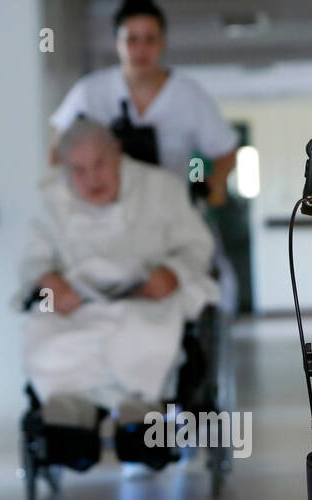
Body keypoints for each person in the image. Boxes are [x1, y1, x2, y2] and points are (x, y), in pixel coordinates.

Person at [18, 119, 219, 458]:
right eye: (78, 170)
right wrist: (50, 283)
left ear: (117, 154)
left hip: (146, 301)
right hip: (78, 305)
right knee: (44, 333)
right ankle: (70, 421)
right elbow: (33, 261)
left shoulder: (161, 188)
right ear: (64, 168)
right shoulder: (49, 198)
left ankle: (141, 420)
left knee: (147, 336)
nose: (92, 179)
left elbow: (197, 246)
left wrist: (172, 272)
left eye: (99, 165)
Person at [48, 0, 238, 207]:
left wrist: (210, 185)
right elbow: (58, 149)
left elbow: (225, 150)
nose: (141, 49)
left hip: (169, 211)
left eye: (150, 39)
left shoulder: (189, 95)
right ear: (117, 42)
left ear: (162, 42)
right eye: (132, 39)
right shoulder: (89, 92)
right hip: (104, 213)